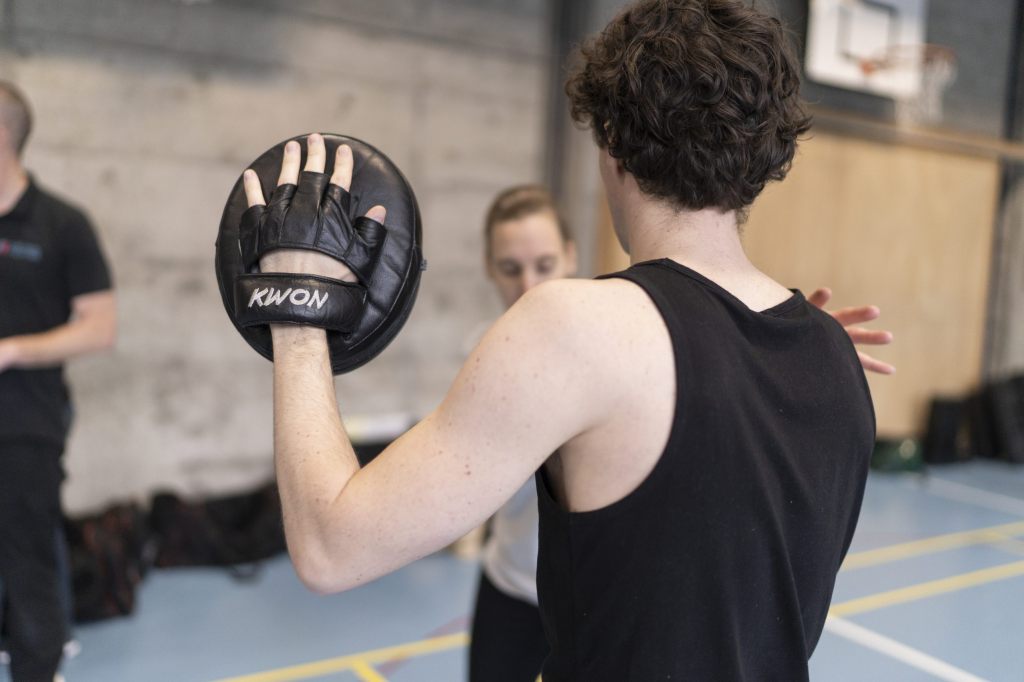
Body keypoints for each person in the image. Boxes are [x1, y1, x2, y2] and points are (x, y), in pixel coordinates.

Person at [243, 1, 881, 678]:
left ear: (612, 148)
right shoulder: (837, 358)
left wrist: (299, 308)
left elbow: (330, 548)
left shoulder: (578, 329)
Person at [466, 186, 892, 681]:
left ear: (570, 254)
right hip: (511, 587)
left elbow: (705, 385)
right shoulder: (490, 358)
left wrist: (794, 354)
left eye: (542, 263)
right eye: (510, 268)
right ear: (489, 267)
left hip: (601, 603)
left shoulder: (619, 348)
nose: (527, 284)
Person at [0, 81, 116, 682]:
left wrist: (13, 351)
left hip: (26, 421)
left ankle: (38, 669)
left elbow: (100, 328)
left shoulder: (62, 224)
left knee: (27, 556)